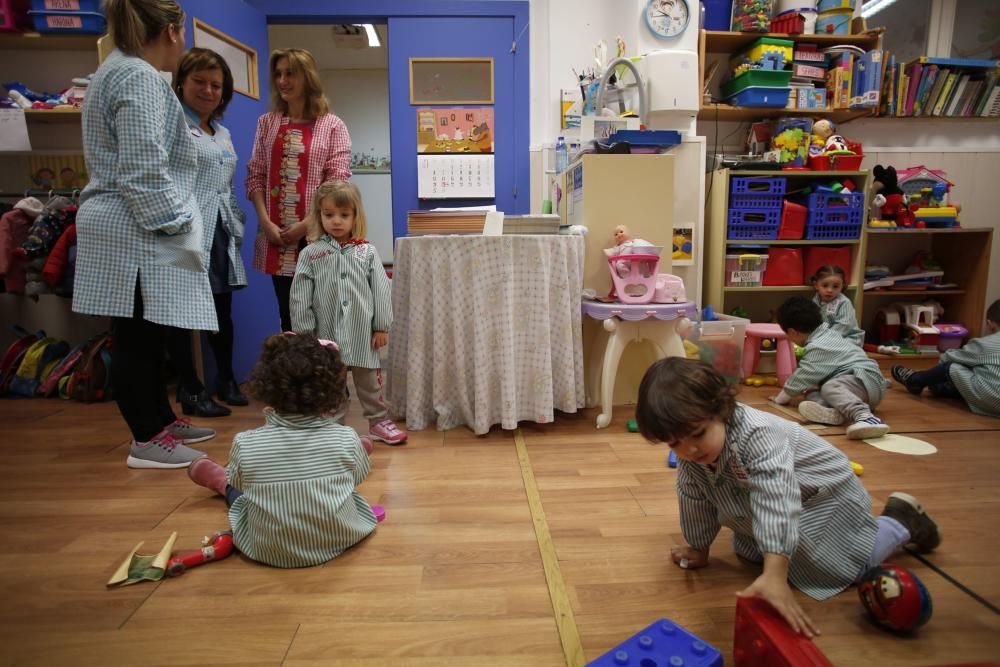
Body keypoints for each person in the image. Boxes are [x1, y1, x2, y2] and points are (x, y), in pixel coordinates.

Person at [635, 357, 941, 636]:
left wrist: (775, 573)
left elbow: (776, 495)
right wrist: (698, 547)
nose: (688, 450)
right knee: (753, 554)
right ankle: (779, 553)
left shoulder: (758, 434)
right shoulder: (694, 456)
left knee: (846, 569)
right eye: (674, 443)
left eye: (698, 434)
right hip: (769, 501)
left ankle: (899, 521)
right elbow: (694, 498)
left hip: (825, 496)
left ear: (721, 410)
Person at [73, 0, 215, 468]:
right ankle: (147, 439)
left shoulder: (116, 70)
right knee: (136, 335)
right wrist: (179, 223)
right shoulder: (139, 77)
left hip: (126, 222)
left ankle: (160, 421)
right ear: (172, 31)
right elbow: (142, 172)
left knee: (149, 333)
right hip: (133, 227)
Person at [186, 334, 379, 568]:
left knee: (242, 495)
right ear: (332, 393)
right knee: (345, 480)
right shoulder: (344, 436)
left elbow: (241, 483)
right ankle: (355, 452)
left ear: (264, 387)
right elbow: (355, 479)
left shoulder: (245, 443)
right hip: (337, 538)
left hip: (267, 548)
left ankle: (220, 483)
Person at [164, 47, 250, 418]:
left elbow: (227, 185)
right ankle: (190, 388)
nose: (208, 90)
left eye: (216, 84)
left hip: (219, 228)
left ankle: (226, 380)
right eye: (199, 81)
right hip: (183, 228)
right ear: (181, 82)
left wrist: (237, 224)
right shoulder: (172, 124)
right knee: (183, 311)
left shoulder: (223, 133)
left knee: (221, 308)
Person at [290, 180, 406, 445]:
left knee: (370, 383)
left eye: (344, 215)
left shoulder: (367, 252)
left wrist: (381, 326)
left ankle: (378, 421)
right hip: (326, 335)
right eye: (329, 215)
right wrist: (305, 333)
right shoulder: (311, 254)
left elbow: (380, 289)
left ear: (355, 215)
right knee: (331, 382)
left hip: (362, 333)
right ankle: (333, 426)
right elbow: (299, 296)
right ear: (319, 215)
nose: (337, 221)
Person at [245, 48, 352, 333]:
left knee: (326, 316)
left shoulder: (332, 126)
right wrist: (265, 222)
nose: (282, 80)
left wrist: (306, 225)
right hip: (277, 239)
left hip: (319, 237)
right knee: (289, 316)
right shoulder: (266, 124)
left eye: (290, 73)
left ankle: (330, 376)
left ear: (308, 77)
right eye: (278, 74)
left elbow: (337, 184)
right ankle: (298, 377)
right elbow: (255, 175)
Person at [772, 297, 890, 439]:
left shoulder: (817, 346)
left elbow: (802, 377)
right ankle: (834, 411)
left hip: (864, 378)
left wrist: (781, 398)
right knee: (812, 389)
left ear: (793, 332)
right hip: (856, 385)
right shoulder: (827, 333)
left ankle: (865, 417)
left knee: (830, 387)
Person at [892, 299, 1000, 418]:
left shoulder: (985, 344)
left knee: (953, 367)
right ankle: (937, 387)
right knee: (979, 373)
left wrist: (939, 369)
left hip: (994, 401)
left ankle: (915, 380)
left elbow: (950, 357)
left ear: (990, 325)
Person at [811, 264, 863, 346]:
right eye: (825, 285)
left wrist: (822, 339)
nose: (829, 290)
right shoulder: (815, 301)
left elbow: (844, 326)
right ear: (816, 285)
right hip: (822, 337)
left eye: (835, 286)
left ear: (842, 286)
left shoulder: (844, 302)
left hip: (847, 337)